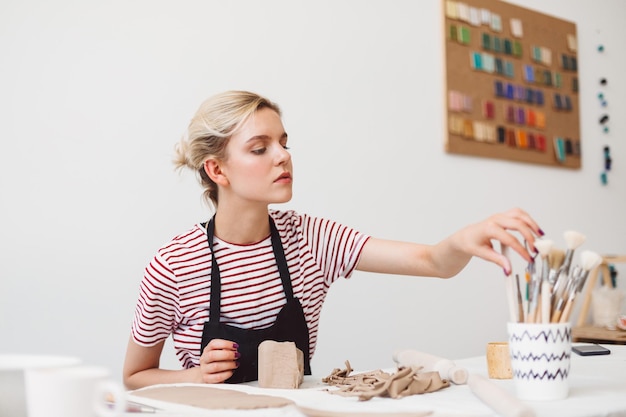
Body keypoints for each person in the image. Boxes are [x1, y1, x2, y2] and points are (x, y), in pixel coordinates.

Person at [122, 90, 543, 389]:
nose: (283, 155)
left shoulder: (310, 238)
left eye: (284, 143)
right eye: (259, 148)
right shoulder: (175, 264)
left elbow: (433, 262)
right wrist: (193, 376)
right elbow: (135, 377)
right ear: (218, 171)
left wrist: (465, 238)